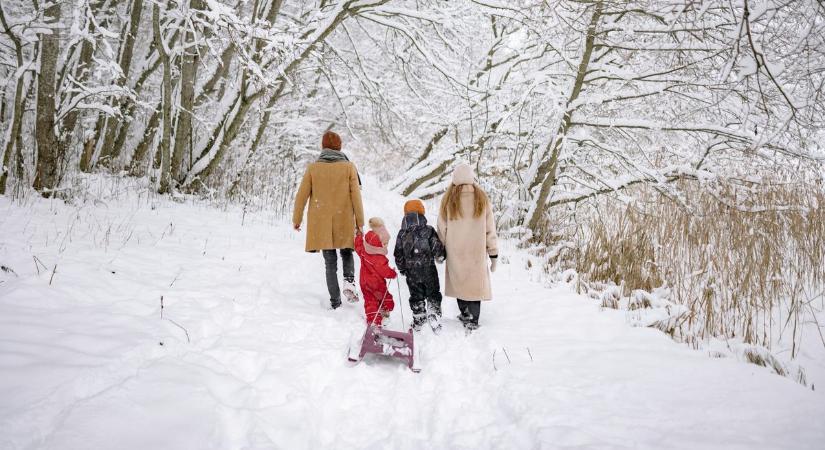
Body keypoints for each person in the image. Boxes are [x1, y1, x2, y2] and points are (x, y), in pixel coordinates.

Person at [293, 131, 364, 309]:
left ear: (323, 147)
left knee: (329, 261)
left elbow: (301, 196)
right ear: (340, 147)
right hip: (344, 218)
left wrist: (297, 218)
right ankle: (349, 280)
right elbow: (356, 196)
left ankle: (335, 302)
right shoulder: (349, 167)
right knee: (347, 251)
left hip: (321, 221)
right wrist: (360, 223)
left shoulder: (313, 168)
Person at [437, 163, 498, 331]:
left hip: (455, 251)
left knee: (460, 283)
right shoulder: (481, 197)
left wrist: (440, 249)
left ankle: (464, 313)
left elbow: (442, 227)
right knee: (474, 285)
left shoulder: (448, 199)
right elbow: (490, 228)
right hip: (476, 252)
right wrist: (493, 253)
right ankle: (473, 318)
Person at [394, 199, 446, 332]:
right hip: (428, 269)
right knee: (433, 292)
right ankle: (434, 313)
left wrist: (402, 268)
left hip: (412, 272)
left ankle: (419, 317)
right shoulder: (428, 230)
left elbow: (398, 253)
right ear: (422, 213)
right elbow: (436, 247)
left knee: (416, 295)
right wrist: (441, 255)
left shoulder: (402, 233)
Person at [353, 218, 398, 326]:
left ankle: (374, 320)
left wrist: (359, 236)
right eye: (385, 243)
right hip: (376, 283)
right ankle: (384, 313)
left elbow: (358, 246)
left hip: (364, 282)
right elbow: (385, 271)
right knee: (386, 298)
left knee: (370, 301)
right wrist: (393, 273)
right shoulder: (379, 258)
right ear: (380, 244)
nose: (386, 245)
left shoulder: (364, 249)